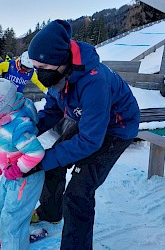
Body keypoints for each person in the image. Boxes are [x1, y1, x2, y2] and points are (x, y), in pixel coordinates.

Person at [27, 19, 140, 249]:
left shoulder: (94, 82)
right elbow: (52, 110)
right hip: (83, 118)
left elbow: (90, 140)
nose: (39, 74)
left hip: (116, 129)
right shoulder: (58, 72)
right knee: (49, 157)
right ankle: (50, 212)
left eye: (43, 68)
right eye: (35, 67)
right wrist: (27, 138)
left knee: (78, 192)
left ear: (61, 62)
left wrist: (43, 160)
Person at [0, 78, 45, 250]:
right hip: (10, 175)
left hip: (25, 180)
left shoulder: (18, 125)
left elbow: (35, 152)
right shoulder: (9, 114)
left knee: (12, 221)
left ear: (0, 107)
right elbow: (7, 142)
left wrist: (17, 168)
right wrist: (0, 158)